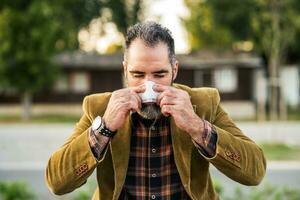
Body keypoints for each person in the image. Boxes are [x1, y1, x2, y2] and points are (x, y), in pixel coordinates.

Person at [45, 21, 266, 200]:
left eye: (159, 74)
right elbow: (57, 182)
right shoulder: (99, 108)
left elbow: (254, 172)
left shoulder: (203, 102)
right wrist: (103, 131)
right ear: (125, 71)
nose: (148, 87)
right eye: (138, 75)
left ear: (175, 70)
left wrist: (198, 128)